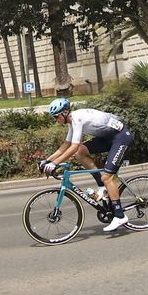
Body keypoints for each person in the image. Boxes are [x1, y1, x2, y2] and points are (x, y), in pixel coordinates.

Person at [38, 98, 134, 233]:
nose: (55, 120)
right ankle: (101, 186)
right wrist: (47, 161)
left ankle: (119, 216)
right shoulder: (72, 122)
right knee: (80, 152)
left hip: (121, 137)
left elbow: (73, 146)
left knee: (107, 177)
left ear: (64, 113)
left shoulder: (77, 119)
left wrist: (55, 163)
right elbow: (66, 145)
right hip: (107, 139)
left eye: (56, 117)